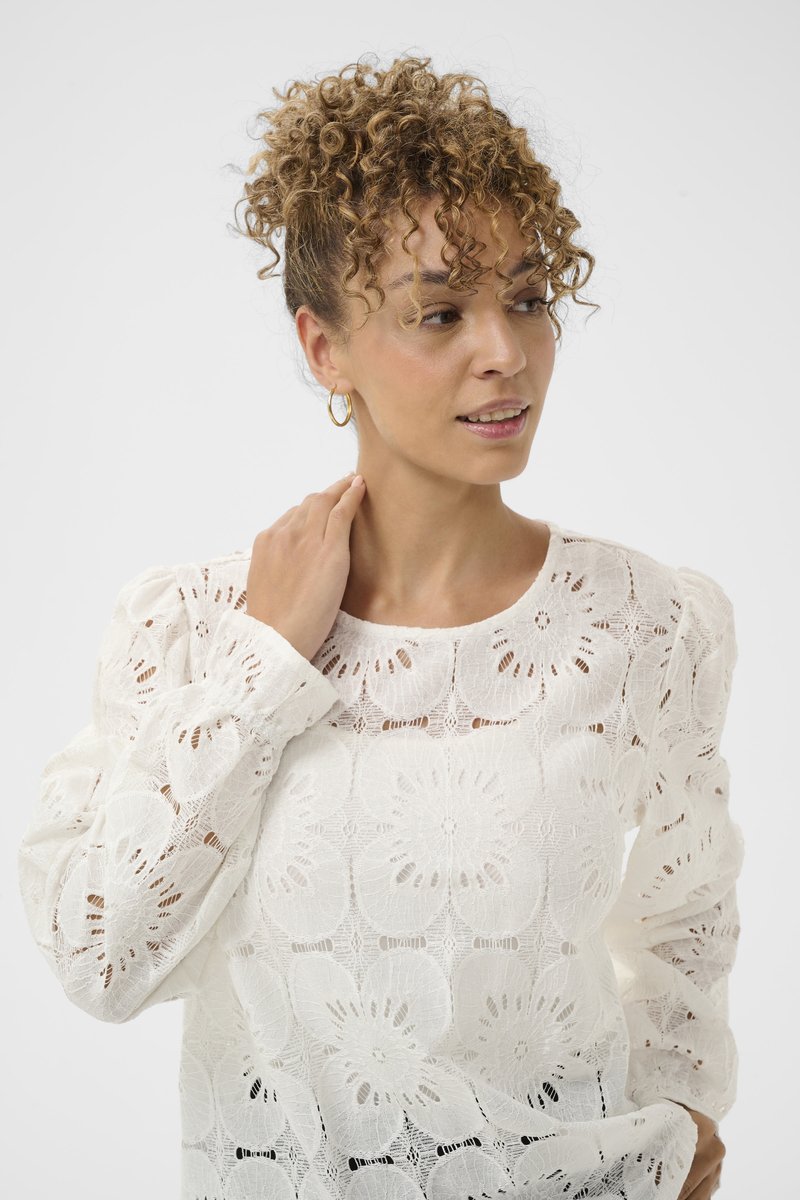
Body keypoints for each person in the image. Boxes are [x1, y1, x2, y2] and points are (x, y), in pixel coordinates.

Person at [17, 53, 742, 1200]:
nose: (503, 351)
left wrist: (683, 1113)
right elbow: (101, 962)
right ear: (324, 348)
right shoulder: (193, 630)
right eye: (439, 313)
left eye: (528, 298)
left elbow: (681, 924)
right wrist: (263, 662)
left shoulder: (644, 627)